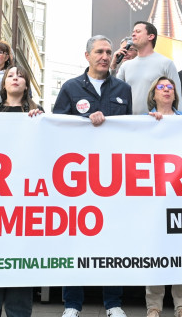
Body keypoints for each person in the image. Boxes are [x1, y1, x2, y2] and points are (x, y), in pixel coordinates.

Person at [52, 35, 129, 317]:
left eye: (109, 52)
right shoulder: (71, 88)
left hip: (112, 177)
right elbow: (58, 125)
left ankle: (114, 303)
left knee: (113, 240)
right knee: (75, 241)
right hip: (77, 178)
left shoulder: (123, 88)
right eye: (99, 51)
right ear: (87, 55)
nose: (105, 56)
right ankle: (72, 305)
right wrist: (86, 122)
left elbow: (132, 130)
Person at [0, 66, 39, 317]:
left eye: (20, 76)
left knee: (21, 263)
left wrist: (40, 122)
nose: (15, 78)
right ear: (3, 83)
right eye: (11, 75)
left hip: (25, 199)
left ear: (26, 85)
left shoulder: (37, 114)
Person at [144, 75, 182, 317]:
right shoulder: (143, 121)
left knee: (181, 251)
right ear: (153, 94)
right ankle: (153, 306)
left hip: (181, 195)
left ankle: (181, 305)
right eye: (161, 87)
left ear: (175, 94)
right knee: (155, 251)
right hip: (152, 196)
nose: (166, 90)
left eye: (170, 87)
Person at [116, 22, 182, 115]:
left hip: (157, 122)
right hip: (131, 122)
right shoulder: (126, 66)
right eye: (133, 32)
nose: (133, 34)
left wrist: (177, 120)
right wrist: (113, 66)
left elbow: (177, 94)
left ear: (150, 36)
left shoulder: (166, 63)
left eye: (138, 31)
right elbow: (114, 91)